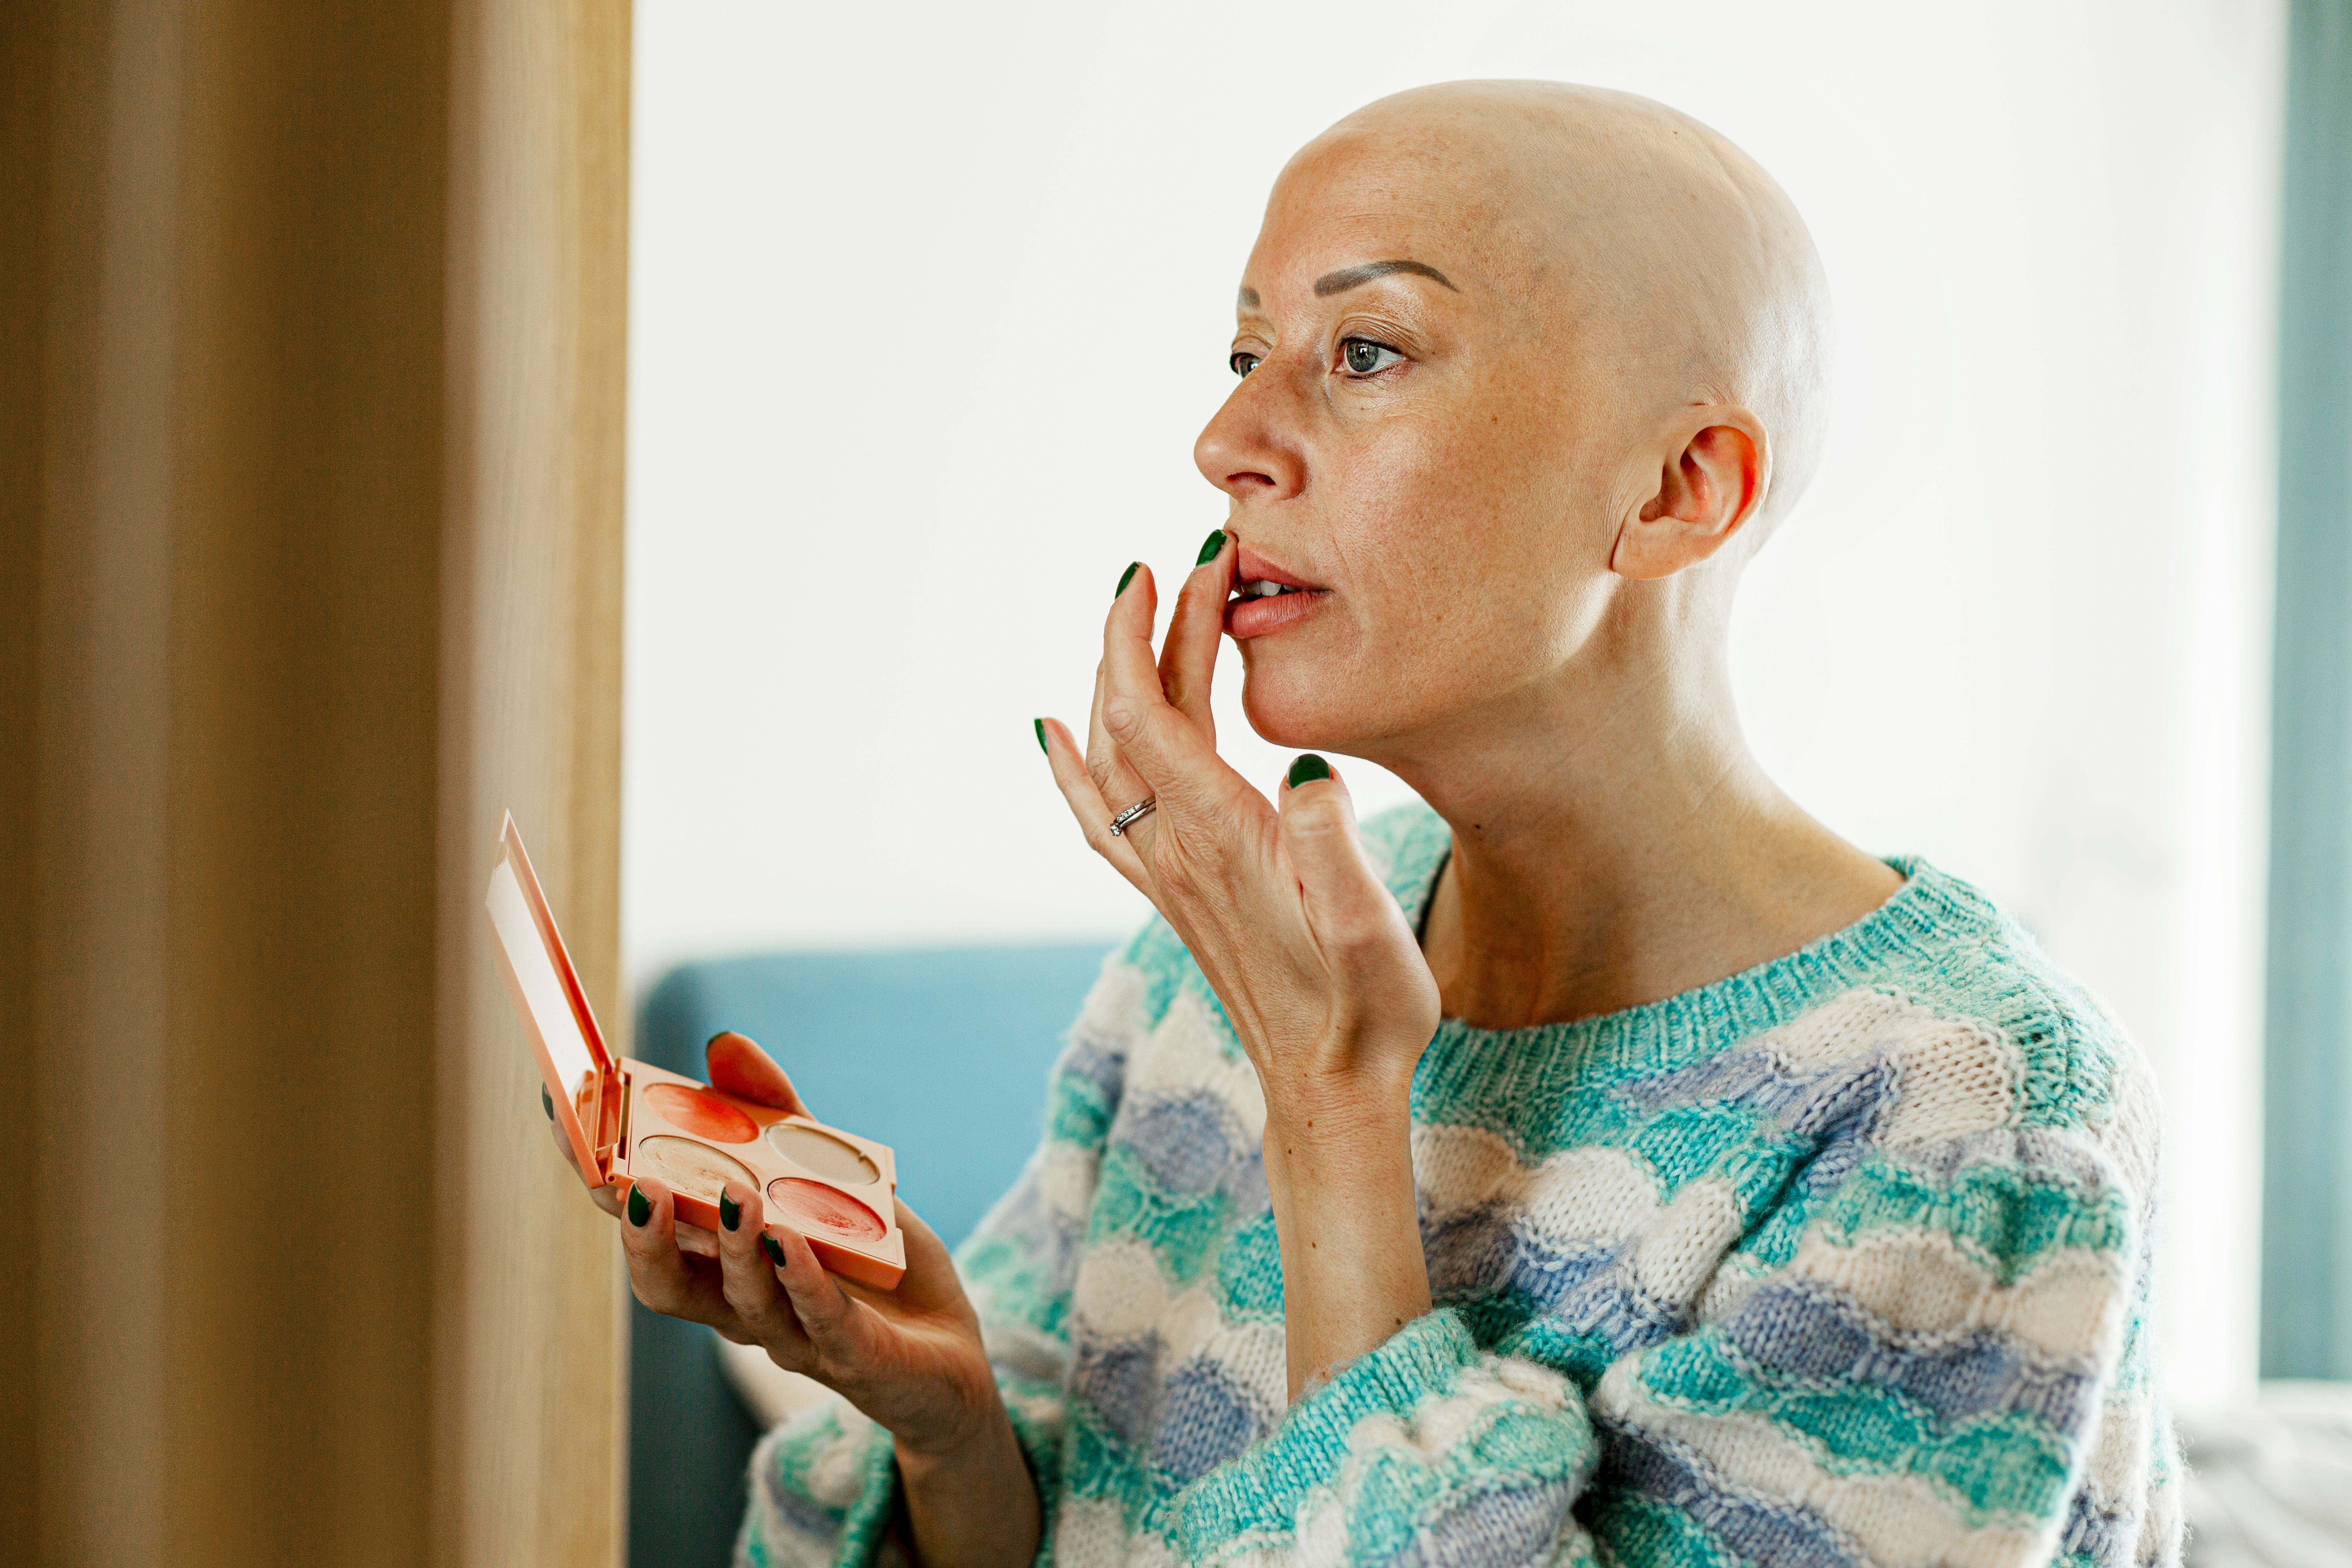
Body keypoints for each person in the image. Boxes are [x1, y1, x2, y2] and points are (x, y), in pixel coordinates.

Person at [585, 81, 2176, 1568]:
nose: (1227, 447)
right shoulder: (1207, 967)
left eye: (1365, 353)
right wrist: (948, 1432)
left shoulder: (1971, 1107)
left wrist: (1334, 1109)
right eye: (1243, 356)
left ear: (1682, 487)